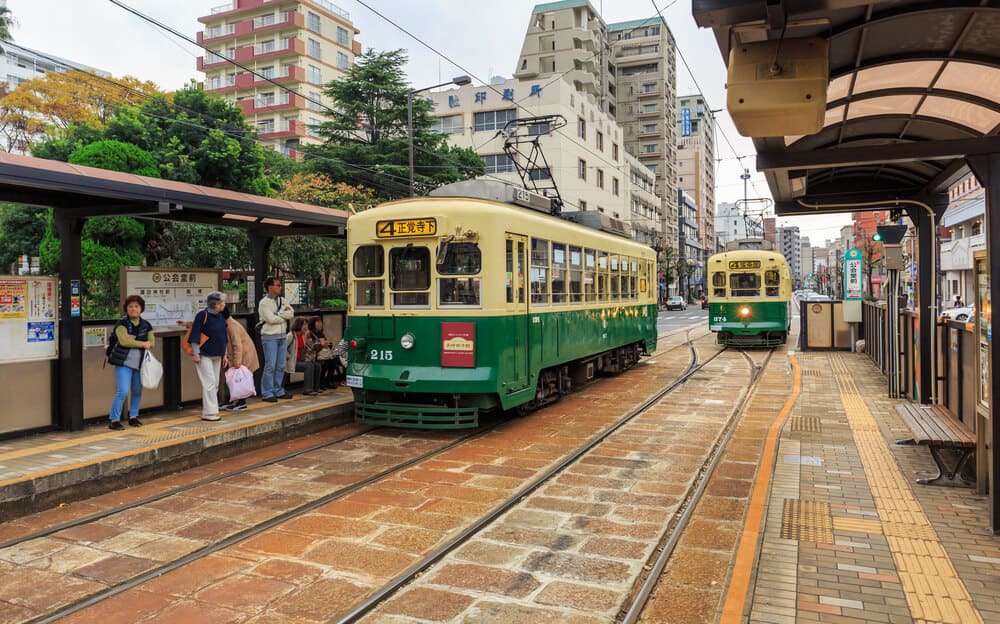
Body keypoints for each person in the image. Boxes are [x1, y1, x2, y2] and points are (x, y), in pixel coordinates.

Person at [107, 294, 154, 430]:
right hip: (123, 363)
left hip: (140, 364)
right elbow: (124, 341)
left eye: (136, 306)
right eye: (130, 306)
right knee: (122, 391)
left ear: (141, 309)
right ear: (126, 309)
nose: (133, 309)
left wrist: (136, 342)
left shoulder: (146, 324)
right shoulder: (121, 324)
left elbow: (152, 342)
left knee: (137, 390)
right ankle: (114, 419)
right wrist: (142, 343)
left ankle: (133, 417)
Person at [189, 291, 229, 421]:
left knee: (215, 383)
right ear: (215, 304)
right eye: (222, 302)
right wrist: (196, 353)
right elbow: (195, 334)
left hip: (218, 354)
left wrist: (225, 355)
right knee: (209, 382)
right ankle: (210, 412)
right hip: (204, 354)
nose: (224, 304)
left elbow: (224, 337)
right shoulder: (202, 315)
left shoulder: (221, 316)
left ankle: (209, 410)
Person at [258, 277, 295, 403]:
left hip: (282, 336)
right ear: (270, 287)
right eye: (278, 285)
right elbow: (270, 319)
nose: (280, 287)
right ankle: (267, 392)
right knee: (270, 365)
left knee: (280, 365)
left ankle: (278, 389)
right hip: (269, 337)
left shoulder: (282, 300)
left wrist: (278, 315)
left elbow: (291, 313)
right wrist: (283, 316)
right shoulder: (263, 303)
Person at [221, 307, 259, 411]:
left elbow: (237, 345)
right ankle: (229, 401)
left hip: (244, 355)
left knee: (239, 379)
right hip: (241, 354)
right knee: (232, 379)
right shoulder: (228, 323)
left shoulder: (230, 326)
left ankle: (241, 402)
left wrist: (237, 363)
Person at [286, 317, 321, 396]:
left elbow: (309, 349)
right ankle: (308, 389)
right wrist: (289, 356)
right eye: (304, 324)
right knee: (309, 366)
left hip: (300, 361)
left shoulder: (303, 336)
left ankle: (316, 388)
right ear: (299, 325)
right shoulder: (291, 335)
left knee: (316, 365)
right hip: (291, 362)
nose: (306, 326)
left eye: (306, 324)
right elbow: (283, 348)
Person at [308, 316, 341, 390]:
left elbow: (327, 345)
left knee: (334, 360)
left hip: (323, 354)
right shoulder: (310, 334)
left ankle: (328, 381)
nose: (320, 324)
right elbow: (312, 347)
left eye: (321, 322)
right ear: (313, 323)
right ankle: (320, 382)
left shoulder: (321, 333)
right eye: (318, 322)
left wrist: (329, 344)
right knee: (324, 362)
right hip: (314, 355)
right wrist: (322, 345)